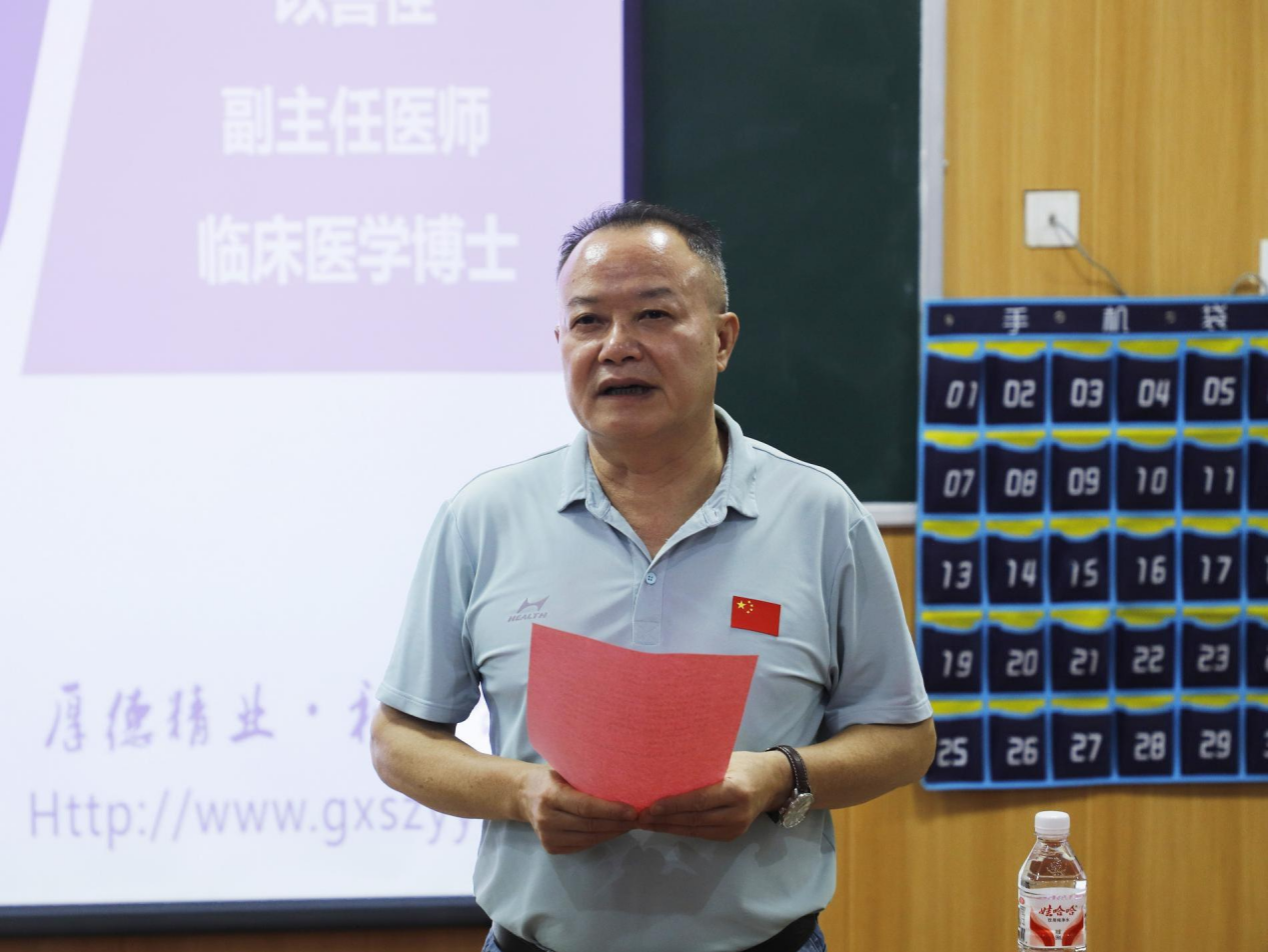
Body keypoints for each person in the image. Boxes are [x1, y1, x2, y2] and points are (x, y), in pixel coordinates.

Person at [371, 201, 935, 952]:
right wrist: (521, 790)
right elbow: (400, 738)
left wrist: (781, 777)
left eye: (654, 316)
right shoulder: (485, 516)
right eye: (588, 322)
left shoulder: (821, 516)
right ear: (561, 344)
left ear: (722, 339)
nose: (617, 347)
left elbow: (903, 739)